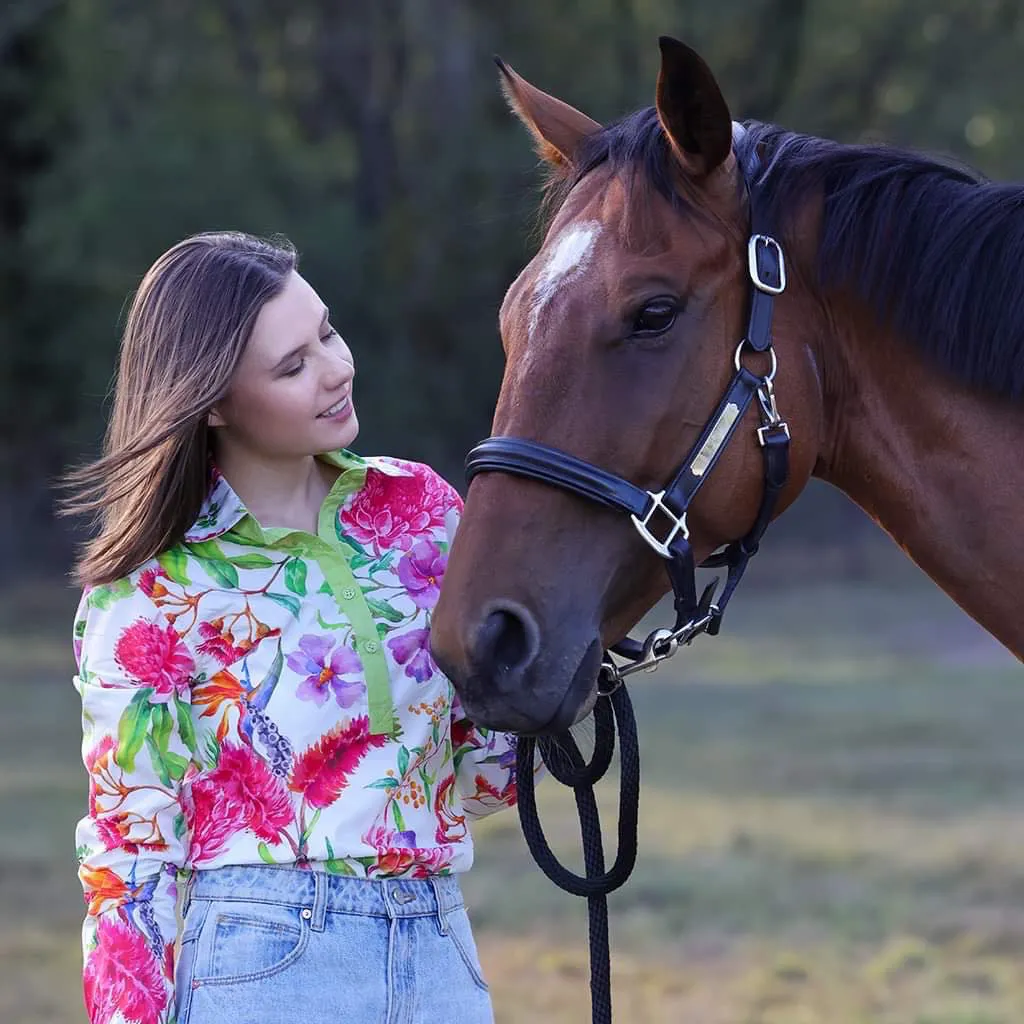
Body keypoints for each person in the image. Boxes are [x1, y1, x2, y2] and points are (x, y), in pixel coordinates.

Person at [63, 231, 521, 1024]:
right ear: (210, 400)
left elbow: (480, 780)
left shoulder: (420, 512)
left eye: (328, 334)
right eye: (292, 365)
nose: (337, 369)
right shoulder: (153, 588)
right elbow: (129, 850)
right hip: (261, 960)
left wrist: (567, 676)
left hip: (438, 944)